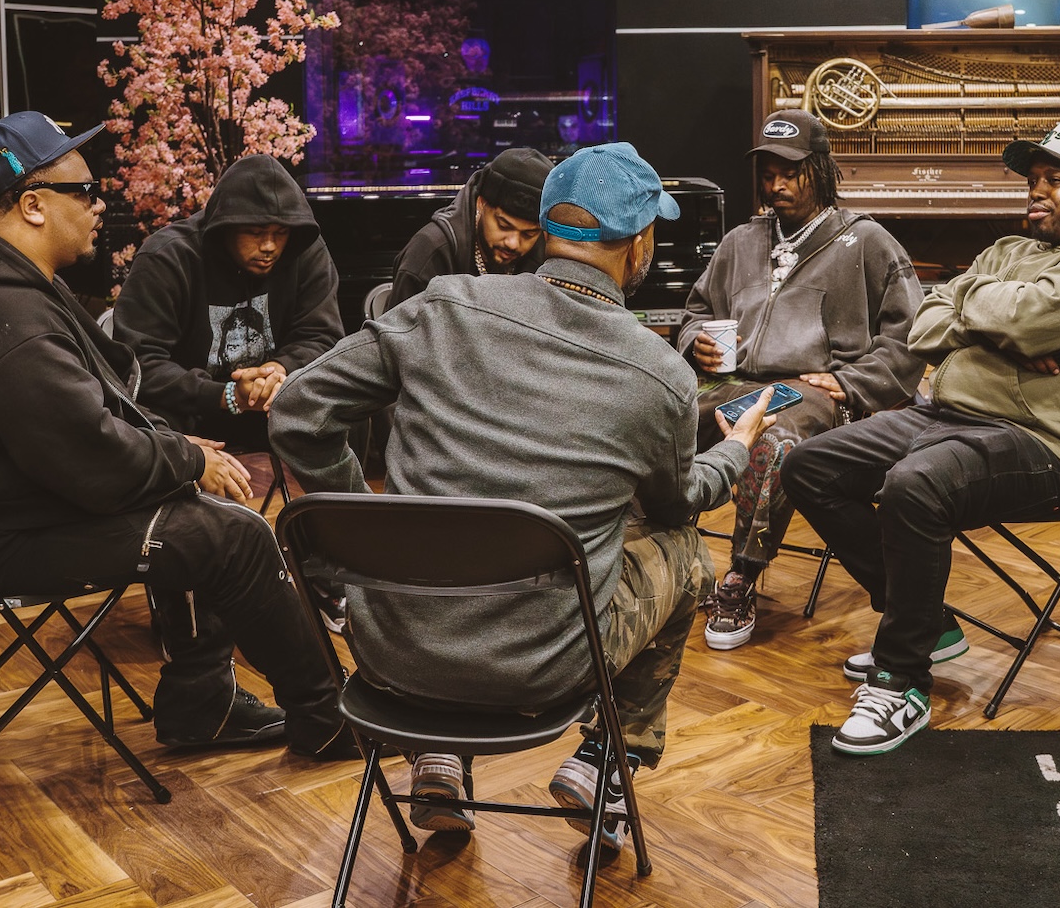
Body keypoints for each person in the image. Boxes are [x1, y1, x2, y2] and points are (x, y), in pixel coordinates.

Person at [269, 142, 771, 851]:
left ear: (545, 226)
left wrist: (360, 521)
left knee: (467, 552)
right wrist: (736, 448)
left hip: (390, 655)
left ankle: (436, 755)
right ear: (639, 245)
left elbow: (296, 411)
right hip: (543, 668)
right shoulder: (659, 375)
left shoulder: (442, 307)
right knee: (686, 557)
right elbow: (674, 506)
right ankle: (606, 761)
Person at [0, 112, 353, 757]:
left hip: (16, 508)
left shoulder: (11, 289)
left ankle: (203, 704)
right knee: (232, 535)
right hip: (3, 540)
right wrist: (188, 457)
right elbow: (96, 457)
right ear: (31, 205)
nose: (98, 205)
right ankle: (327, 719)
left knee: (210, 512)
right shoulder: (5, 316)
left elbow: (104, 414)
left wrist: (185, 456)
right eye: (83, 192)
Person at [783, 123, 1060, 756]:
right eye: (1033, 180)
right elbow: (926, 322)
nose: (1036, 192)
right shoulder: (1008, 252)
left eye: (1056, 179)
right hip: (950, 417)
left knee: (917, 486)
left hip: (1053, 443)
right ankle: (927, 622)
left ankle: (901, 681)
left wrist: (992, 314)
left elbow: (1018, 318)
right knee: (809, 465)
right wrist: (999, 327)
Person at [674, 110, 923, 650]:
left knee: (775, 438)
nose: (776, 184)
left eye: (790, 172)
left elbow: (911, 334)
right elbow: (696, 310)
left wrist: (857, 382)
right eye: (767, 172)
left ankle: (741, 574)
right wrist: (694, 339)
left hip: (816, 388)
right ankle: (671, 555)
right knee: (658, 416)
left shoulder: (867, 241)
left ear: (822, 169)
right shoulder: (740, 241)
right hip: (732, 381)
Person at [111, 154, 344, 453]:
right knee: (151, 418)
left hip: (275, 402)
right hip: (187, 415)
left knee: (345, 400)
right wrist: (226, 394)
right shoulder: (167, 258)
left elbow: (323, 335)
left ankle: (334, 499)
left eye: (280, 233)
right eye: (256, 233)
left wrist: (277, 370)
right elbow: (137, 362)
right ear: (225, 228)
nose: (270, 246)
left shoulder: (304, 248)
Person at [387, 146, 553, 305]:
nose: (513, 243)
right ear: (480, 203)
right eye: (504, 225)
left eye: (529, 234)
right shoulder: (431, 251)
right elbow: (396, 332)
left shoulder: (546, 253)